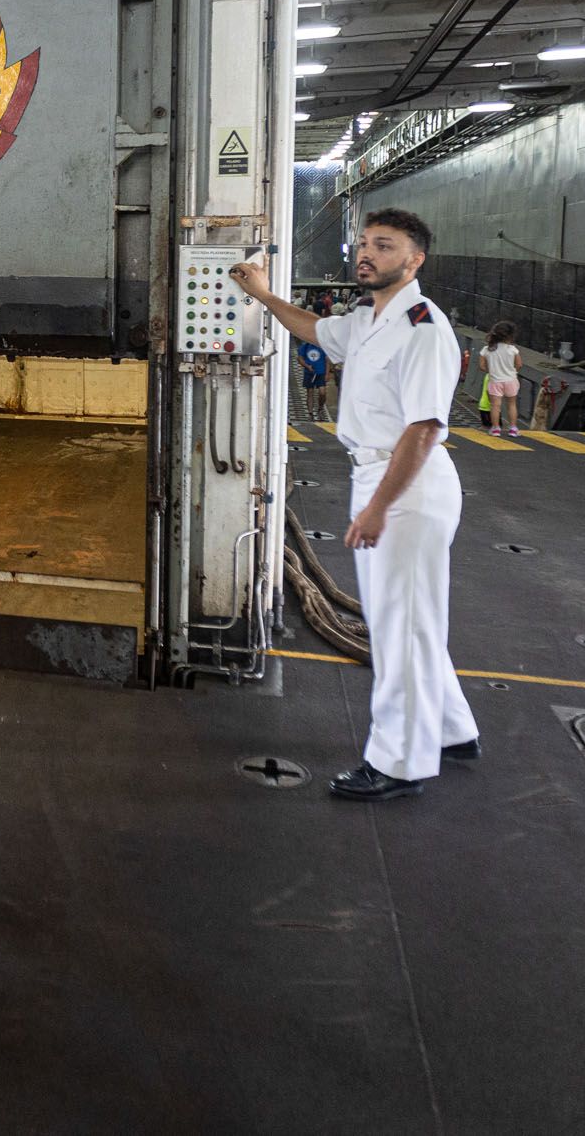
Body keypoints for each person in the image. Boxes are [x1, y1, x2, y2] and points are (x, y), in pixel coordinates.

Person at [232, 208, 478, 802]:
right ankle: (450, 729)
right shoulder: (370, 317)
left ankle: (399, 761)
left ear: (414, 260)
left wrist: (377, 511)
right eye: (364, 244)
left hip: (406, 487)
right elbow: (314, 329)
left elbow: (423, 429)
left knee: (399, 629)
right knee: (410, 621)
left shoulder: (423, 327)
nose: (366, 254)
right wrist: (263, 295)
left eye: (384, 246)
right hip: (380, 476)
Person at [479, 321, 522, 437]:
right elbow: (519, 365)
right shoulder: (513, 349)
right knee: (512, 404)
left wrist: (491, 371)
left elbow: (482, 366)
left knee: (495, 406)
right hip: (511, 380)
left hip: (495, 381)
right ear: (510, 336)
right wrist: (513, 372)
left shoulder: (487, 349)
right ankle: (513, 428)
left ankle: (496, 428)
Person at [296, 339, 329, 421]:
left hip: (321, 373)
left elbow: (327, 360)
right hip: (309, 373)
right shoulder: (305, 346)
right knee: (310, 392)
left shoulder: (323, 346)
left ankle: (320, 408)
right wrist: (307, 366)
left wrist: (327, 374)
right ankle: (310, 413)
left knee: (322, 392)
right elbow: (299, 359)